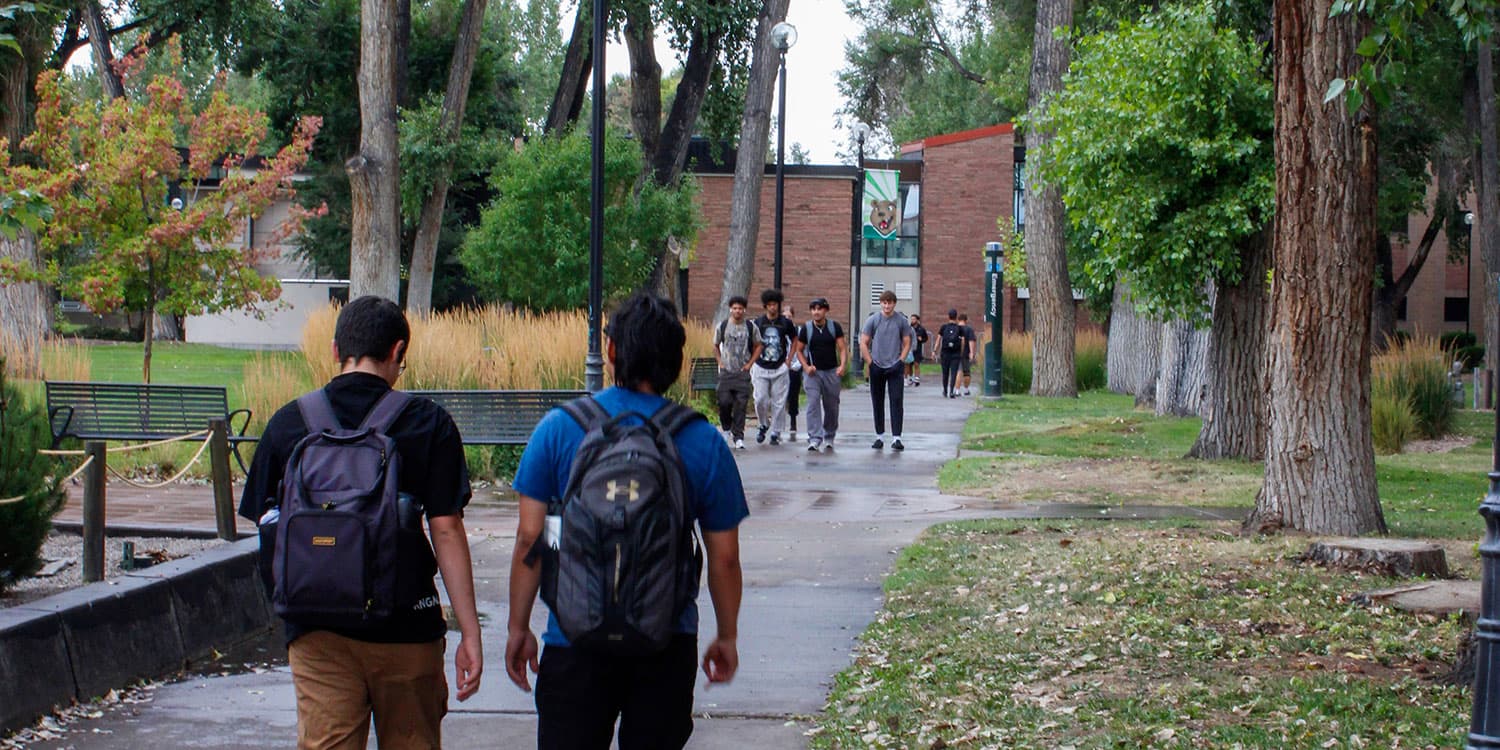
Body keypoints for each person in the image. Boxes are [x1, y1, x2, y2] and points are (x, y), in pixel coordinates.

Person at [505, 292, 748, 749]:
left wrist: (518, 629)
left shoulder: (559, 428)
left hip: (573, 641)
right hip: (666, 640)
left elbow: (530, 539)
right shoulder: (701, 440)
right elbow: (725, 558)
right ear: (676, 362)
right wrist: (727, 635)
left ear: (611, 350)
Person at [240, 295, 482, 750]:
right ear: (397, 351)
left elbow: (264, 522)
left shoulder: (289, 423)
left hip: (317, 632)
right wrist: (470, 632)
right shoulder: (427, 423)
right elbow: (446, 529)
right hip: (407, 628)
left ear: (336, 350)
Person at [859, 289, 913, 451]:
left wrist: (901, 360)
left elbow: (907, 342)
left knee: (896, 401)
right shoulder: (873, 320)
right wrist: (870, 363)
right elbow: (863, 342)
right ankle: (879, 436)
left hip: (895, 366)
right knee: (877, 401)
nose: (887, 306)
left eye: (889, 303)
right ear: (880, 303)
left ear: (894, 304)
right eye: (884, 303)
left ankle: (897, 438)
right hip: (877, 365)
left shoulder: (901, 321)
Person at [793, 296, 847, 453]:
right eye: (813, 309)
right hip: (813, 373)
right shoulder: (807, 328)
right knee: (813, 403)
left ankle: (829, 436)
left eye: (819, 309)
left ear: (825, 310)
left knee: (831, 406)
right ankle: (814, 438)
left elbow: (842, 348)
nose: (816, 312)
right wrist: (806, 367)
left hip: (831, 371)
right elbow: (799, 350)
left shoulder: (834, 327)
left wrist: (842, 366)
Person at [750, 288, 798, 446]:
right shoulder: (758, 323)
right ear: (765, 306)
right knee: (760, 399)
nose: (772, 307)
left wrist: (789, 360)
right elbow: (752, 342)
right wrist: (752, 359)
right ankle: (763, 424)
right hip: (761, 366)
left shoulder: (785, 323)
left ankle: (776, 432)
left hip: (780, 367)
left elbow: (795, 339)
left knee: (779, 401)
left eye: (775, 304)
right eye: (769, 304)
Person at [713, 295, 762, 450]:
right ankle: (726, 427)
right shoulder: (723, 326)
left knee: (741, 405)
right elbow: (715, 345)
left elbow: (759, 345)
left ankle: (738, 436)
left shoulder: (751, 327)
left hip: (742, 372)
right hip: (726, 371)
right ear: (730, 309)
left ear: (744, 310)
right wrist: (720, 362)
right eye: (735, 308)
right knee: (724, 402)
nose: (737, 311)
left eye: (740, 308)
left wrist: (750, 364)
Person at [784, 302, 804, 442]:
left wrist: (796, 365)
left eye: (789, 316)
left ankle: (792, 420)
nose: (787, 319)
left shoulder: (798, 331)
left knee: (793, 395)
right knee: (779, 396)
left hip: (795, 367)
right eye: (785, 316)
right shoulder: (779, 330)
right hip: (781, 367)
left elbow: (802, 350)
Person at [937, 309, 964, 399]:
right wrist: (961, 352)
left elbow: (938, 340)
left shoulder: (944, 327)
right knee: (953, 373)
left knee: (945, 373)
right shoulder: (959, 328)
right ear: (956, 317)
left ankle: (945, 390)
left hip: (945, 353)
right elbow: (962, 342)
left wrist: (934, 350)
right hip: (955, 354)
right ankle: (952, 391)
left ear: (948, 316)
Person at [905, 313, 929, 387]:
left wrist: (921, 340)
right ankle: (910, 378)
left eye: (914, 319)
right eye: (911, 319)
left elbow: (926, 338)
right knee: (909, 364)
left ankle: (917, 379)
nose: (912, 320)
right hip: (910, 349)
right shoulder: (909, 328)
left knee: (916, 364)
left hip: (917, 349)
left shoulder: (921, 329)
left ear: (917, 320)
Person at [958, 312, 979, 397]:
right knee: (966, 372)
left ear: (958, 320)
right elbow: (971, 341)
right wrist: (972, 352)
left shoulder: (955, 328)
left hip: (954, 353)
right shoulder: (969, 329)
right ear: (966, 320)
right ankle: (966, 390)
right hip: (965, 353)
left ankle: (957, 390)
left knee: (958, 371)